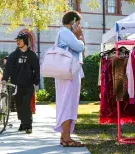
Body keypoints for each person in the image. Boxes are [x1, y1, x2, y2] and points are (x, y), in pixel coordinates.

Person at [55, 10, 85, 147]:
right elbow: (79, 46)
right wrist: (80, 37)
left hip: (66, 72)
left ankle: (64, 136)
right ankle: (67, 138)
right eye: (78, 23)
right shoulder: (66, 33)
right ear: (72, 22)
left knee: (66, 102)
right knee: (68, 103)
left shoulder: (63, 33)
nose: (79, 26)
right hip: (69, 73)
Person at [2, 32, 40, 134]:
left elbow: (37, 69)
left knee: (26, 104)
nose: (18, 42)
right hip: (16, 85)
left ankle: (28, 126)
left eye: (20, 40)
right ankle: (23, 123)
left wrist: (36, 82)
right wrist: (4, 79)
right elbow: (8, 68)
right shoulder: (13, 55)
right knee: (19, 105)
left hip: (28, 84)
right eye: (17, 40)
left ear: (25, 41)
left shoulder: (32, 55)